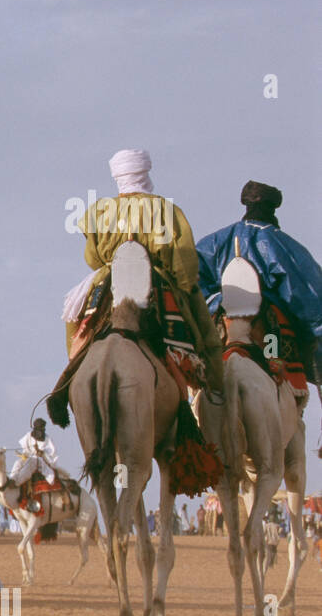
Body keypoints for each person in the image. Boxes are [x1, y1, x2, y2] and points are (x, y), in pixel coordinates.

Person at [51, 150, 223, 425]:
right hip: (156, 277)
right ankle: (216, 386)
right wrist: (185, 286)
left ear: (118, 176)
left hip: (109, 275)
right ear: (146, 174)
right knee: (204, 328)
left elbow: (92, 259)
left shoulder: (99, 211)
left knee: (74, 318)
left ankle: (70, 375)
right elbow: (184, 263)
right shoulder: (166, 209)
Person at [196, 180, 321, 402]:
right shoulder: (279, 242)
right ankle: (276, 370)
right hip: (269, 326)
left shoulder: (216, 241)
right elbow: (306, 292)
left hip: (221, 317)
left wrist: (214, 302)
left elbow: (193, 277)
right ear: (272, 209)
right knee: (274, 352)